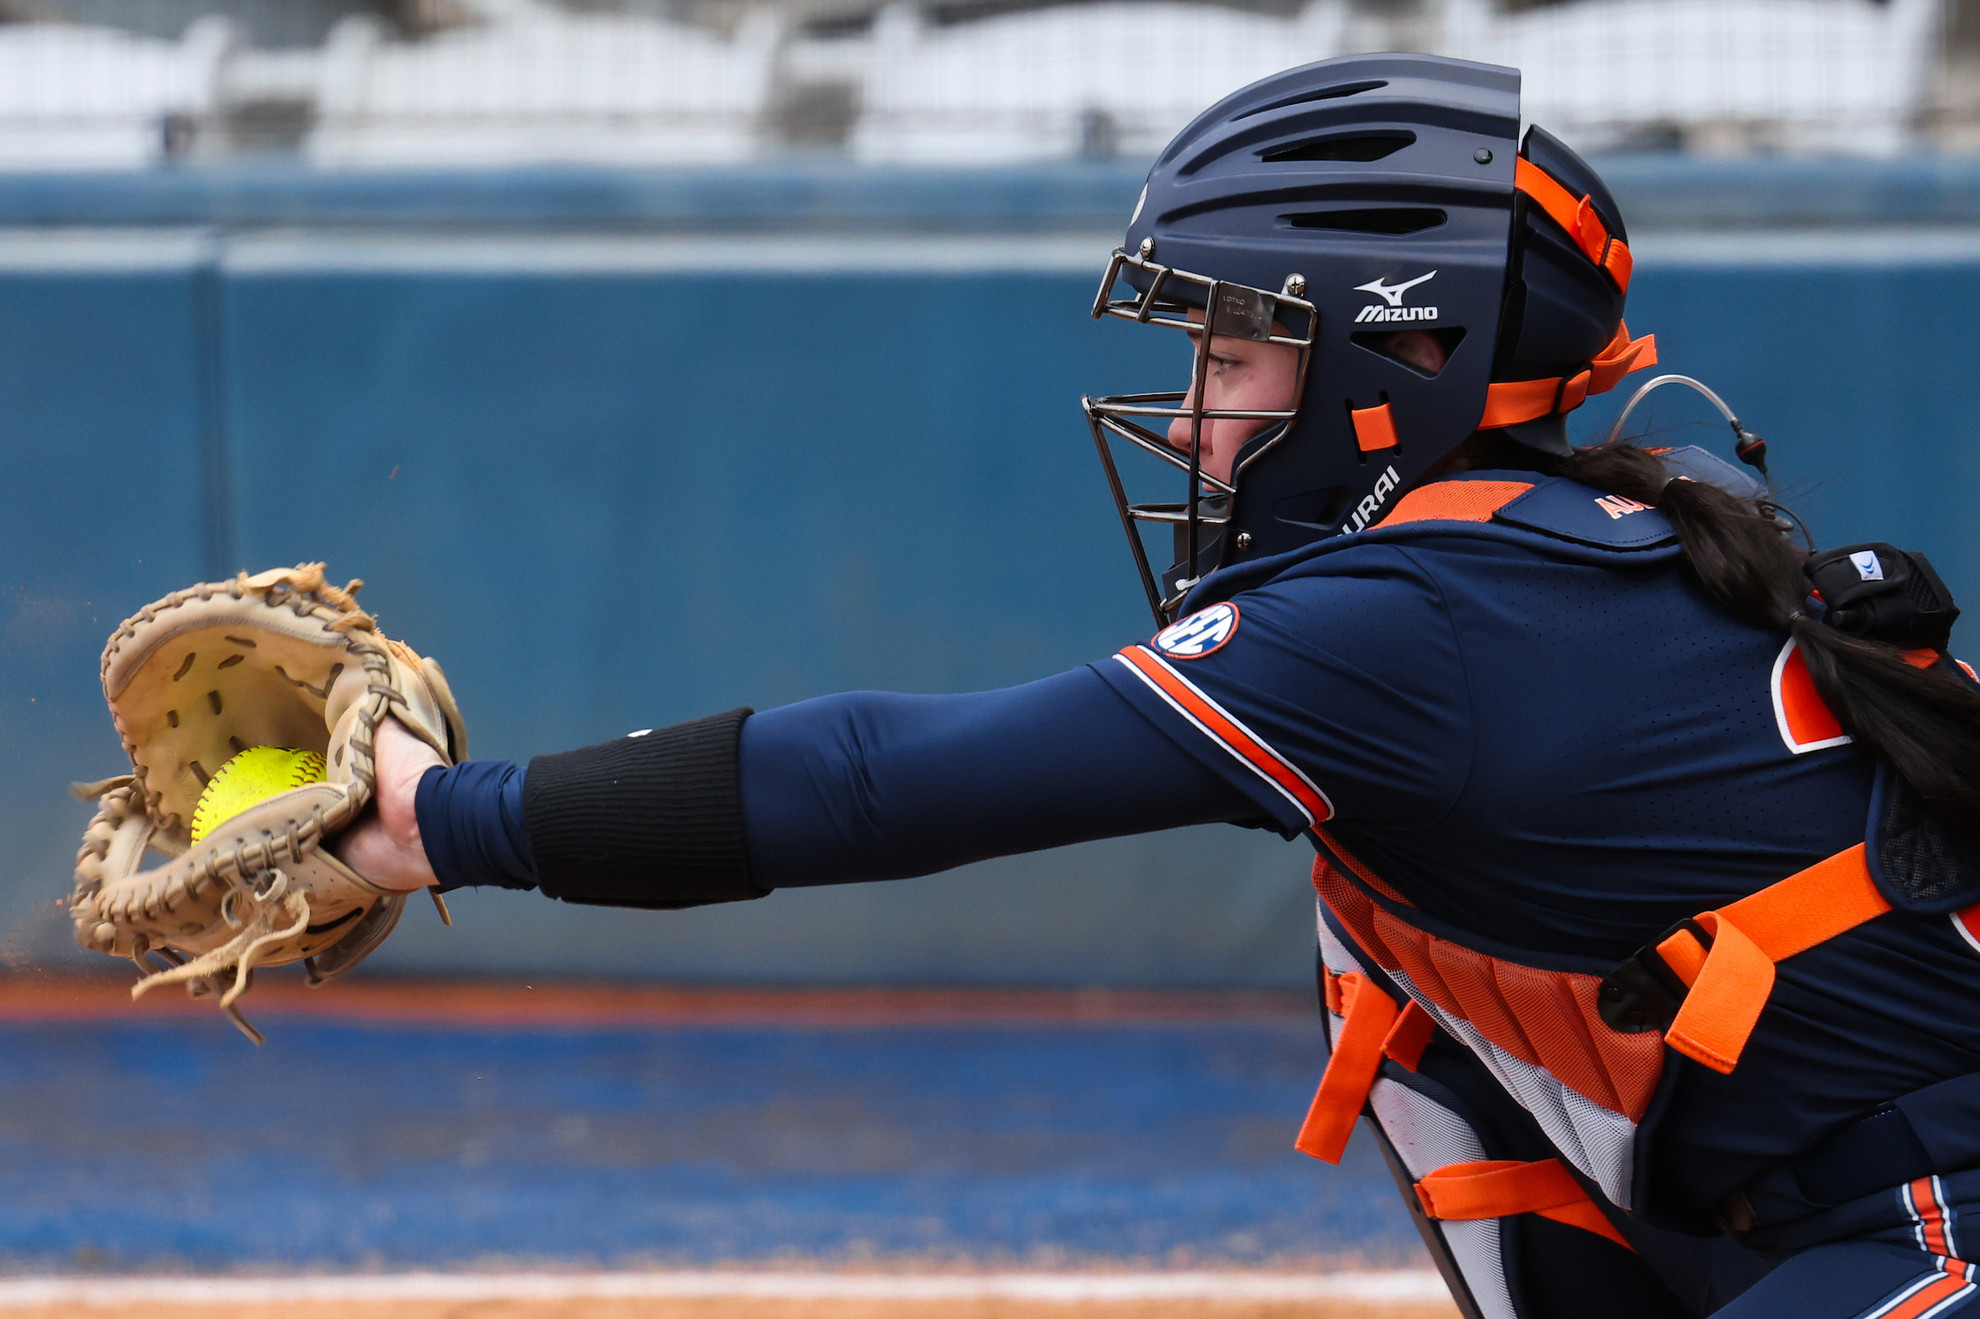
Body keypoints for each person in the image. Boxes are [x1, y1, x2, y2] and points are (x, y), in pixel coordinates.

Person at [339, 54, 1980, 1319]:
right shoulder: (1581, 528)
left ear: (1404, 360)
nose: (1193, 420)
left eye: (1233, 357)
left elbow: (879, 783)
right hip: (1868, 1210)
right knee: (1389, 965)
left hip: (1933, 1224)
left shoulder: (1416, 619)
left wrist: (443, 819)